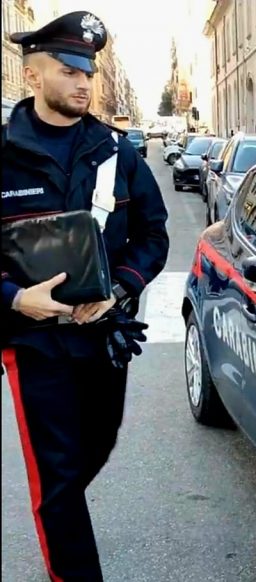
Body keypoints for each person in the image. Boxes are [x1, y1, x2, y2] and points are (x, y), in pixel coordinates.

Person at [0, 11, 169, 581]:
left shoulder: (116, 152)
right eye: (68, 69)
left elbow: (153, 234)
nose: (83, 82)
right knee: (58, 480)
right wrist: (15, 298)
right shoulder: (4, 154)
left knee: (95, 446)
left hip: (103, 339)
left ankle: (65, 505)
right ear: (32, 76)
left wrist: (121, 289)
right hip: (34, 343)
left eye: (88, 71)